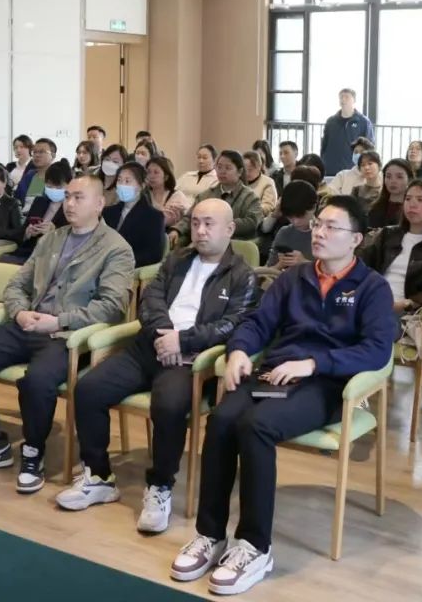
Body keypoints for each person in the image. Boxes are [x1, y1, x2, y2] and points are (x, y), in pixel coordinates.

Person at [171, 196, 393, 595]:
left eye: (331, 228)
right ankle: (210, 534)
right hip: (276, 373)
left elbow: (377, 350)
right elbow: (258, 322)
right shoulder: (294, 278)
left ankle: (255, 546)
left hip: (327, 384)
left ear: (356, 239)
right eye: (318, 224)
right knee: (221, 419)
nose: (319, 233)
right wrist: (239, 350)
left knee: (257, 426)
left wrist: (314, 363)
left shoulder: (372, 287)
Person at [56, 198, 255, 532]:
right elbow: (150, 300)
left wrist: (183, 341)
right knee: (88, 389)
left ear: (230, 229)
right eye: (195, 223)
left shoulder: (242, 275)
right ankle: (99, 475)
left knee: (169, 406)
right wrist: (164, 335)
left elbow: (233, 324)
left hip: (191, 360)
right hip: (149, 347)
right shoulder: (176, 258)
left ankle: (160, 486)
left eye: (209, 224)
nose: (200, 231)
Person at [0, 174, 135, 493]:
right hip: (28, 323)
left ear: (100, 204)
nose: (69, 203)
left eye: (79, 197)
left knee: (36, 381)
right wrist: (20, 311)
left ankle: (33, 451)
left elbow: (111, 307)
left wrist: (58, 322)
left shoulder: (116, 248)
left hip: (69, 335)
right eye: (68, 196)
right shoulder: (52, 238)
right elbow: (16, 284)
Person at [360, 179, 422, 344]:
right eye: (408, 199)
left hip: (405, 313)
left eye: (421, 200)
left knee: (375, 329)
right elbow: (362, 265)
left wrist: (409, 303)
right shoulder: (388, 235)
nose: (412, 204)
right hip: (372, 302)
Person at [172, 151, 262, 248]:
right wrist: (177, 230)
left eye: (228, 168)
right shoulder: (205, 195)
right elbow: (189, 217)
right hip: (203, 241)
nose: (222, 171)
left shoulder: (250, 197)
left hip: (233, 244)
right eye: (219, 167)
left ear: (240, 172)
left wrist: (219, 225)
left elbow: (251, 223)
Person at [0, 160, 72, 265]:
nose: (53, 190)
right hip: (28, 252)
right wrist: (27, 232)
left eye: (58, 187)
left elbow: (72, 241)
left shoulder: (72, 208)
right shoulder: (40, 201)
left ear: (70, 185)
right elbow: (21, 231)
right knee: (1, 261)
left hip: (49, 258)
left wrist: (54, 232)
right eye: (49, 186)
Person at [102, 162, 166, 268]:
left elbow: (154, 254)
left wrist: (122, 261)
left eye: (127, 181)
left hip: (128, 269)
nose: (122, 185)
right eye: (119, 180)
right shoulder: (108, 212)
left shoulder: (154, 217)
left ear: (142, 186)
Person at [320, 88, 374, 176]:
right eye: (341, 97)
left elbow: (369, 146)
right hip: (331, 169)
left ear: (354, 100)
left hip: (352, 169)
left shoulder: (363, 122)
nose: (343, 99)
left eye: (347, 97)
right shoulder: (331, 121)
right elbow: (324, 145)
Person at [266, 181, 316, 268]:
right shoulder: (284, 233)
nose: (295, 222)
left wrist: (305, 263)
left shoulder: (325, 235)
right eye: (290, 217)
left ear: (314, 207)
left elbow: (334, 272)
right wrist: (280, 265)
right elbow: (268, 269)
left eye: (300, 216)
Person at [366, 159, 414, 229]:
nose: (393, 181)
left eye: (399, 177)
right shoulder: (375, 207)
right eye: (388, 176)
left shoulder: (413, 208)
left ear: (409, 179)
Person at [14, 138, 58, 214]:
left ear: (53, 155)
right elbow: (17, 198)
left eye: (41, 152)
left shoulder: (58, 177)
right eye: (34, 152)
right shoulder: (30, 175)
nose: (37, 155)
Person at [242, 150, 278, 218]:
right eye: (244, 170)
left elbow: (268, 206)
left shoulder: (268, 182)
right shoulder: (239, 181)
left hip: (257, 218)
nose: (246, 173)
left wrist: (251, 211)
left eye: (250, 169)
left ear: (259, 167)